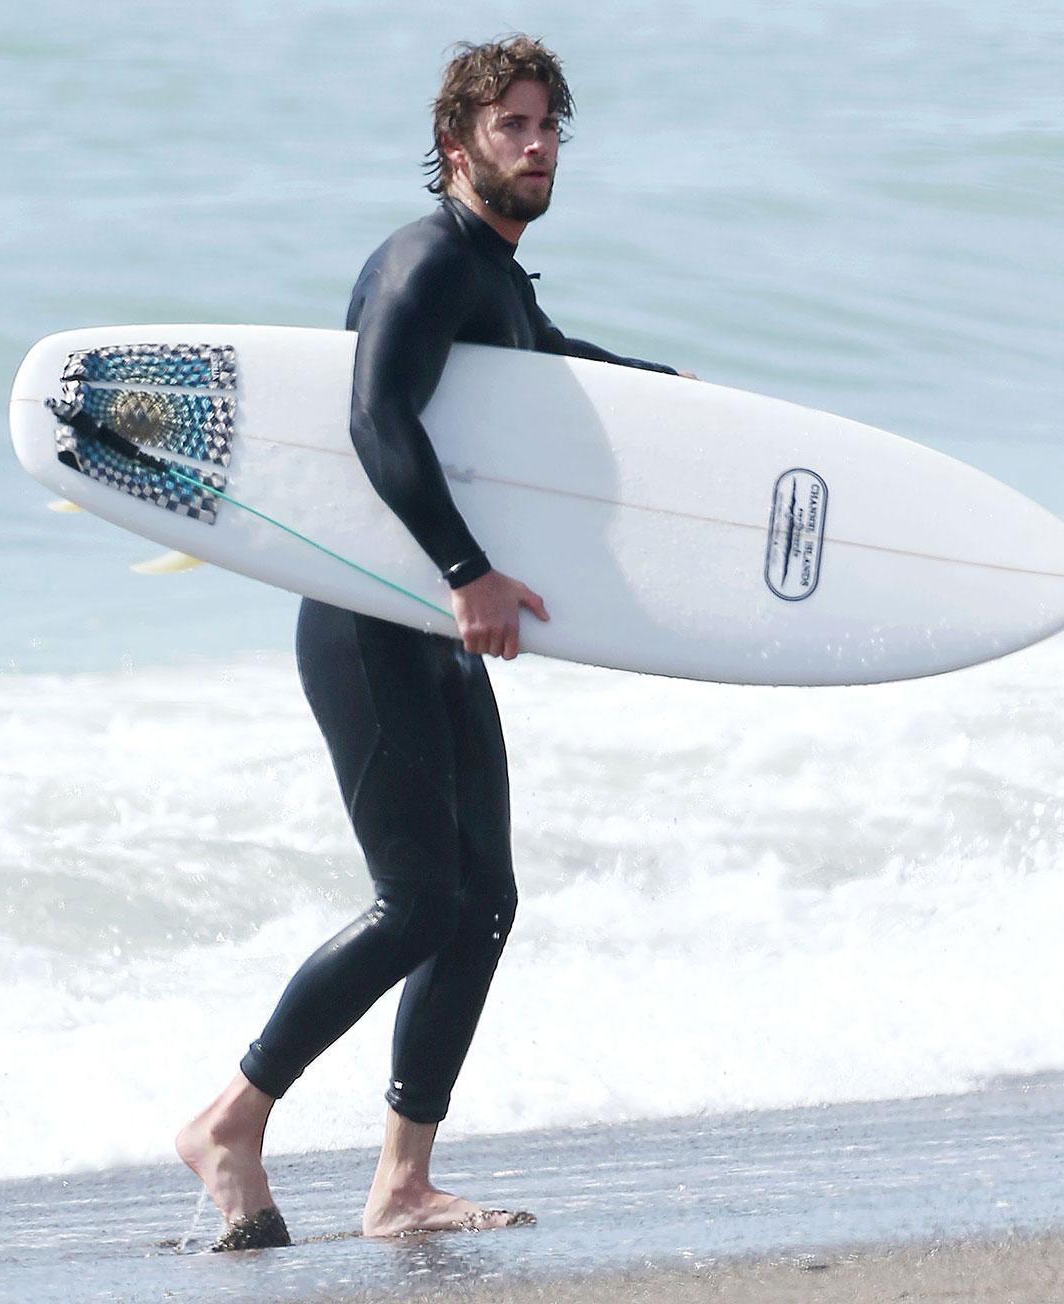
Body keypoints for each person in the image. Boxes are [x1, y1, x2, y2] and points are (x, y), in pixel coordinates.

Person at [176, 34, 684, 1250]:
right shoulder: (426, 260)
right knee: (419, 901)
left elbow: (554, 378)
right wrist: (468, 573)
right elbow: (374, 416)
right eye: (510, 126)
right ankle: (231, 1118)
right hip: (373, 619)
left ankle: (402, 1181)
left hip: (431, 626)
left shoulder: (497, 278)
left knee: (482, 901)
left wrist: (688, 403)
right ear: (456, 146)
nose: (538, 144)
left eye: (549, 124)